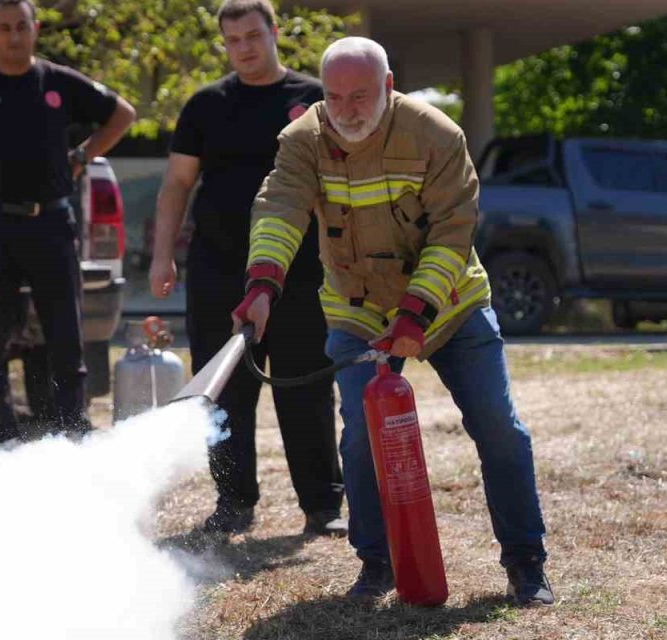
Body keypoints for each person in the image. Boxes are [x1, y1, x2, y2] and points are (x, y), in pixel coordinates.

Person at [233, 37, 555, 605]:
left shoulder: (436, 135)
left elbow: (453, 233)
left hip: (449, 306)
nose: (346, 111)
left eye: (360, 96)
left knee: (499, 428)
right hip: (356, 310)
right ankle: (376, 563)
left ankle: (526, 563)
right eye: (334, 97)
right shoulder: (304, 138)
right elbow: (280, 206)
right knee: (360, 439)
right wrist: (263, 285)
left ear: (388, 87)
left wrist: (414, 314)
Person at [150, 0, 345, 538]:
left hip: (301, 272)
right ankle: (233, 502)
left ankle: (323, 507)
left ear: (274, 32)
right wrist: (163, 254)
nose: (244, 49)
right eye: (233, 40)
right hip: (218, 268)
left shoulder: (312, 99)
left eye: (253, 36)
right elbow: (177, 187)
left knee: (304, 388)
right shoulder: (205, 105)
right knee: (224, 392)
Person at [0, 0, 136, 444]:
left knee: (65, 336)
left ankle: (72, 432)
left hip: (50, 223)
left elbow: (122, 114)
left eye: (21, 26)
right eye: (4, 28)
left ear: (36, 28)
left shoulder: (59, 83)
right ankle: (0, 435)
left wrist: (83, 155)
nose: (14, 36)